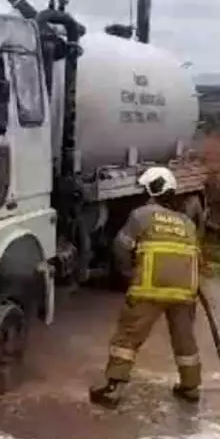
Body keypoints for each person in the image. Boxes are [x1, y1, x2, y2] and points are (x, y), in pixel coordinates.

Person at [90, 166, 203, 409]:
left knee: (128, 337)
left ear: (152, 189)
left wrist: (128, 273)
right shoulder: (187, 223)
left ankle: (114, 389)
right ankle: (191, 387)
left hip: (149, 289)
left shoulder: (141, 215)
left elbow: (121, 247)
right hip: (185, 292)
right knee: (185, 340)